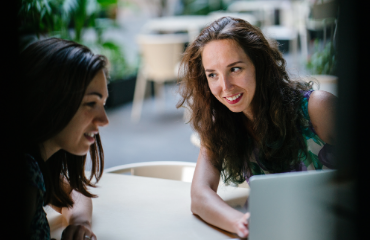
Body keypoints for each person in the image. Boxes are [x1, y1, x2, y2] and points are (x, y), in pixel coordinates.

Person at [177, 17, 336, 238]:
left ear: (259, 64)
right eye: (212, 74)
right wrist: (240, 223)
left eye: (235, 69)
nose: (225, 87)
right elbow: (200, 195)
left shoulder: (317, 108)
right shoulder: (221, 126)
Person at [19, 38, 109, 240]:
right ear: (52, 100)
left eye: (103, 103)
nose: (104, 120)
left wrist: (80, 224)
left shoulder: (40, 165)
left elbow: (73, 193)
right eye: (91, 103)